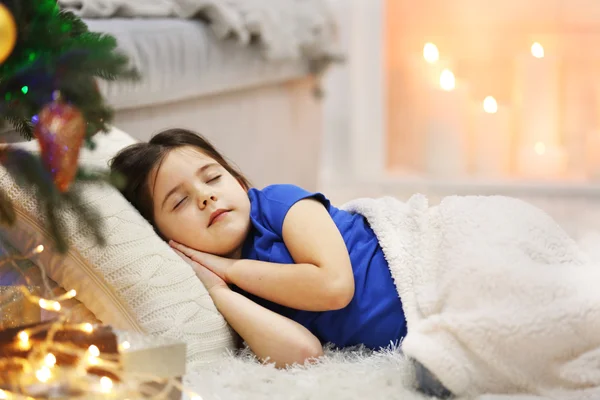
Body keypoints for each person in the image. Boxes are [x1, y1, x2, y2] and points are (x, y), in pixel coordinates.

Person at [110, 128, 450, 397]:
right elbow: (303, 355)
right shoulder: (232, 292)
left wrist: (231, 270)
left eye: (213, 178)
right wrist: (219, 290)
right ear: (163, 237)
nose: (205, 196)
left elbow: (334, 286)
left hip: (440, 262)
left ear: (239, 182)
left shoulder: (278, 203)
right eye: (180, 201)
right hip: (428, 329)